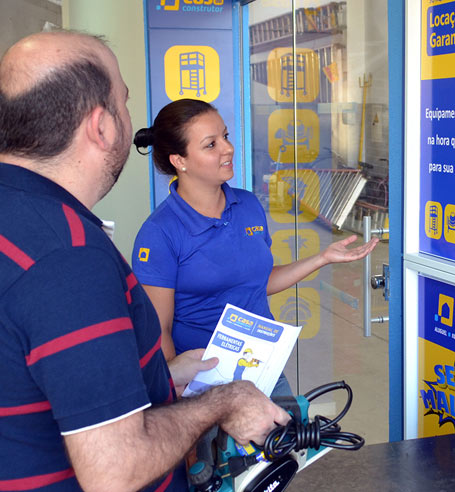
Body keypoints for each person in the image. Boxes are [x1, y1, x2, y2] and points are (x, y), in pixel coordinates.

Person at [0, 31, 289, 492]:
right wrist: (222, 402)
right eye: (124, 102)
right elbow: (115, 471)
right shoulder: (66, 260)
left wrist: (163, 376)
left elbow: (45, 376)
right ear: (101, 126)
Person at [131, 99, 379, 391]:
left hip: (263, 368)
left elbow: (257, 282)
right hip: (202, 381)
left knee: (291, 435)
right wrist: (178, 391)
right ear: (179, 161)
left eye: (225, 136)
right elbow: (158, 329)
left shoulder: (247, 204)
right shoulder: (160, 232)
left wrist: (322, 258)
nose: (227, 148)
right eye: (211, 145)